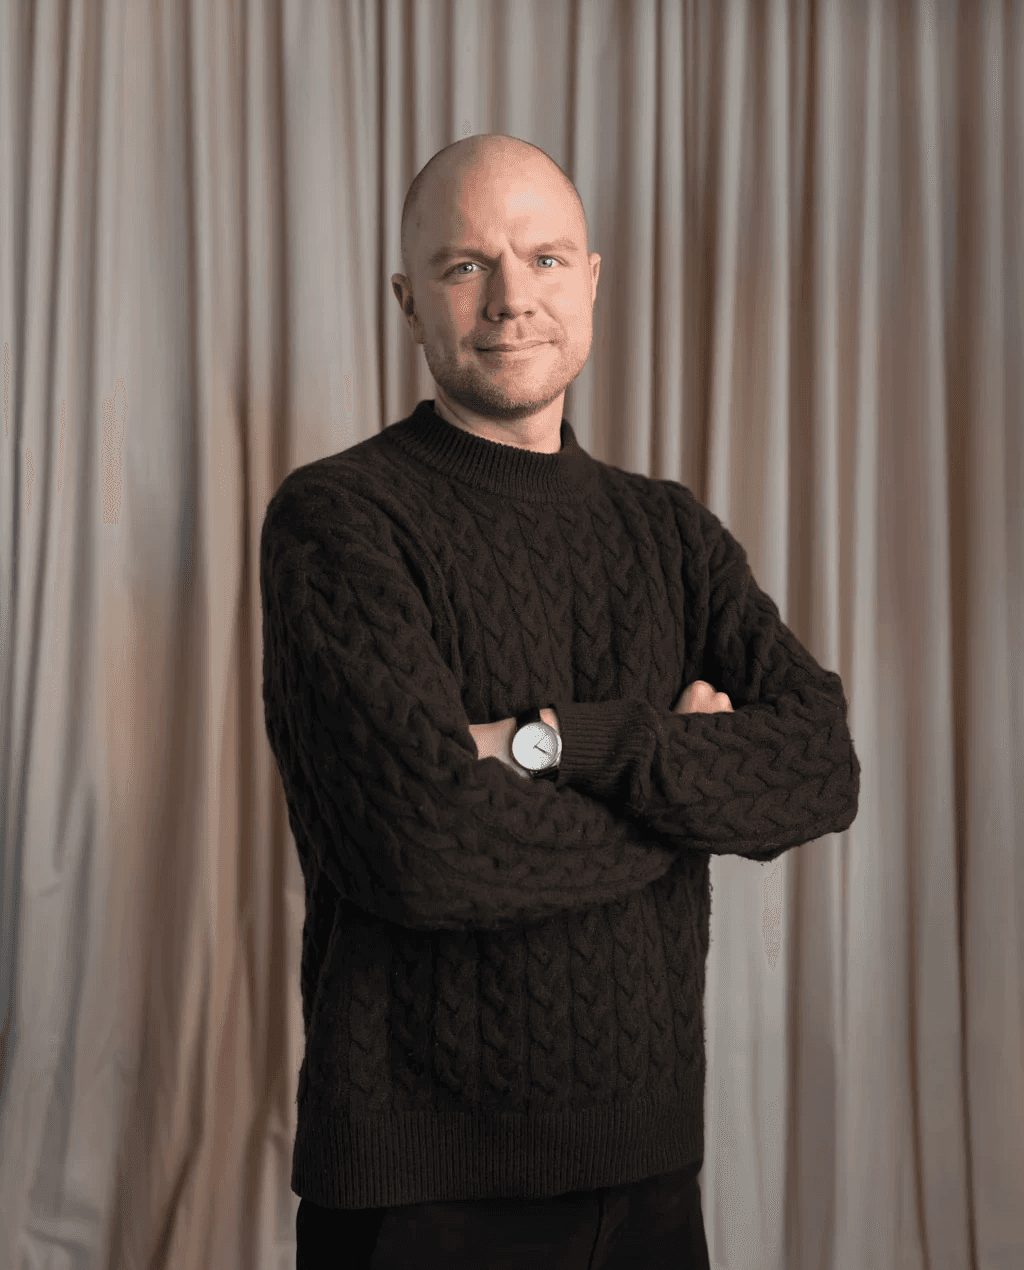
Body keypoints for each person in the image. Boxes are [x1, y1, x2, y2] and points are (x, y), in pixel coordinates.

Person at [260, 133, 861, 1268]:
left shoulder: (669, 530)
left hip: (651, 1181)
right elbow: (422, 846)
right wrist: (683, 787)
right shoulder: (338, 520)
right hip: (420, 1196)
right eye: (463, 266)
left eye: (542, 259)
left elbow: (821, 766)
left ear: (589, 279)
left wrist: (559, 743)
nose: (508, 299)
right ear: (408, 299)